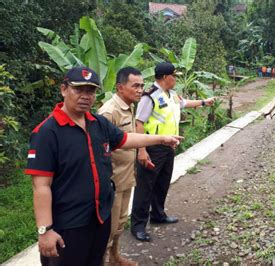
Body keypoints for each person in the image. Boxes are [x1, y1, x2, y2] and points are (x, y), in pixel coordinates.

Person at [25, 66, 183, 266]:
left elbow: (125, 138)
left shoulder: (98, 124)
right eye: (78, 89)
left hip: (99, 217)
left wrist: (161, 138)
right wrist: (45, 230)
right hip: (68, 224)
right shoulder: (47, 132)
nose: (85, 96)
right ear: (64, 89)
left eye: (90, 91)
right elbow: (41, 186)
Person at [131, 62, 215, 242]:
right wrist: (142, 150)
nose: (175, 79)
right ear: (164, 77)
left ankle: (158, 215)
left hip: (168, 146)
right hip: (152, 147)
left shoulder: (172, 95)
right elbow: (139, 123)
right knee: (145, 187)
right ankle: (138, 225)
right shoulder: (150, 96)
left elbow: (184, 104)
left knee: (162, 183)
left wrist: (203, 102)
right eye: (173, 76)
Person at [98, 67, 144, 266]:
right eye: (135, 86)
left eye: (142, 86)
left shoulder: (129, 105)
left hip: (126, 176)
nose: (140, 90)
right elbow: (99, 150)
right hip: (112, 181)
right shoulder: (109, 112)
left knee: (121, 222)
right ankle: (101, 261)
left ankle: (115, 257)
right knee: (108, 228)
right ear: (120, 88)